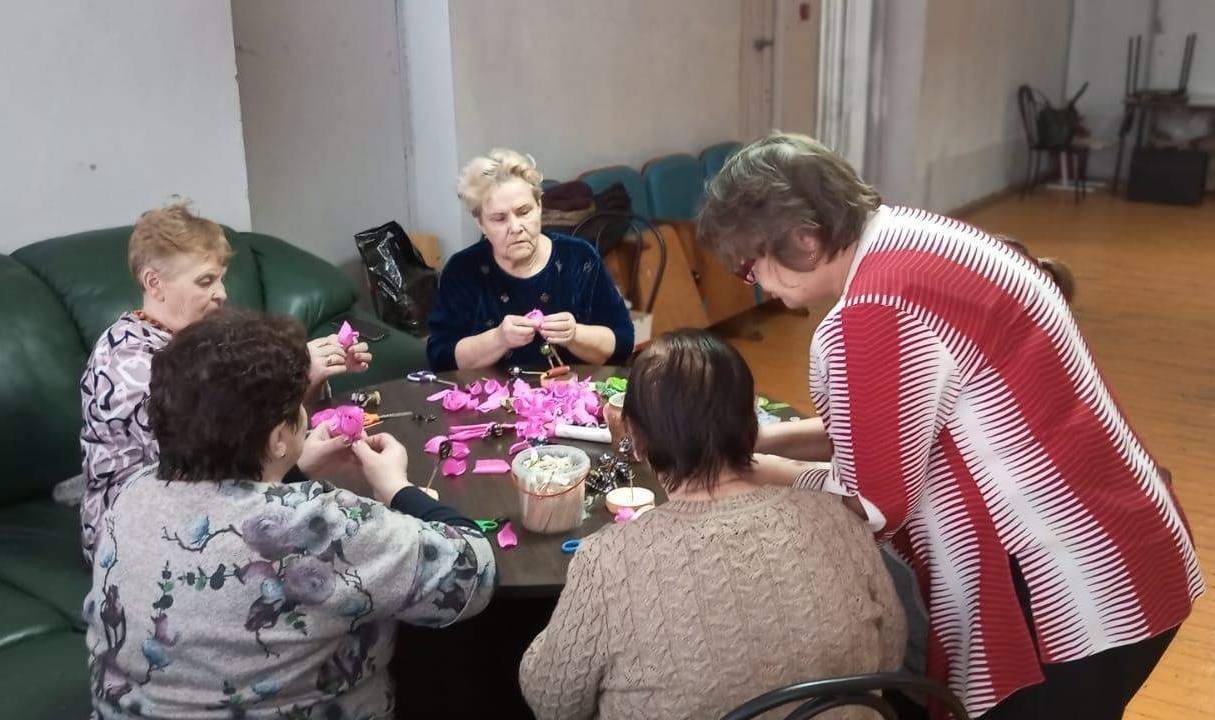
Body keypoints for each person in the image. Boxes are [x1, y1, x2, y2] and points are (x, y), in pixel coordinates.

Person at [696, 134, 1203, 720]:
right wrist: (764, 439)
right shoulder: (918, 238)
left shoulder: (873, 312)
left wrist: (763, 472)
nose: (758, 284)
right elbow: (892, 428)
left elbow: (873, 504)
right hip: (1133, 544)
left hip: (1071, 591)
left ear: (804, 239)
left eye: (749, 267)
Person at [84, 308, 495, 719]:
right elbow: (474, 572)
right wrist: (396, 487)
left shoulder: (130, 494)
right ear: (278, 437)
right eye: (299, 405)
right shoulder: (314, 526)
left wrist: (289, 469)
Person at [519, 329, 906, 720]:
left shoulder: (607, 561)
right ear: (752, 418)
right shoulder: (840, 519)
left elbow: (552, 701)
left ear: (633, 435)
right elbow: (890, 654)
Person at [78, 200, 372, 561]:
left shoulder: (194, 340)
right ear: (154, 283)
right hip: (131, 536)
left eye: (220, 278)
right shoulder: (127, 362)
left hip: (203, 501)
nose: (222, 293)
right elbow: (198, 461)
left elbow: (247, 435)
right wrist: (291, 394)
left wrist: (309, 378)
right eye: (205, 281)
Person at [427, 149, 634, 371]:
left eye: (524, 212)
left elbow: (623, 341)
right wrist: (498, 339)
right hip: (489, 392)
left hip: (573, 390)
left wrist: (575, 335)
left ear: (540, 207)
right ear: (481, 223)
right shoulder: (463, 270)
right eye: (499, 218)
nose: (515, 227)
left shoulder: (579, 258)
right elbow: (441, 356)